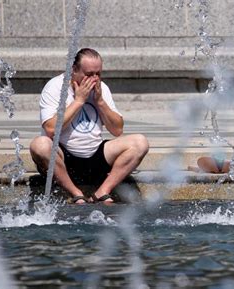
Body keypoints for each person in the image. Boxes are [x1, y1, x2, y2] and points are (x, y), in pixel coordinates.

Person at [29, 48, 149, 204]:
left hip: (96, 157)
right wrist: (78, 101)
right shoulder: (55, 87)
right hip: (64, 158)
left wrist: (100, 102)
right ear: (73, 70)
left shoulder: (101, 88)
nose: (94, 79)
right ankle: (75, 192)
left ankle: (103, 191)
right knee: (40, 145)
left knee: (140, 142)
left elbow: (117, 130)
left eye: (98, 74)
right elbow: (51, 129)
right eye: (89, 74)